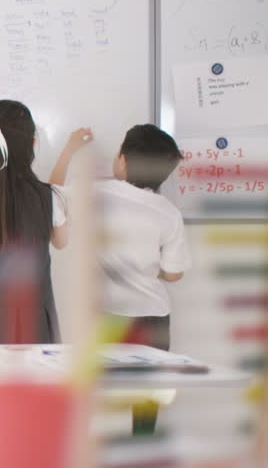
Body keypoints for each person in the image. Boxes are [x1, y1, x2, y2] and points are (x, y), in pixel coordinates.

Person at [0, 100, 87, 344]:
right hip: (38, 324)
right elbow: (61, 242)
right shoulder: (50, 197)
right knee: (39, 382)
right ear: (32, 143)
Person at [49, 124, 190, 351]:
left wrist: (70, 149)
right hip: (155, 317)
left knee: (107, 384)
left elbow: (52, 196)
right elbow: (174, 274)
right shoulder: (170, 213)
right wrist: (148, 268)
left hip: (109, 315)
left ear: (122, 160)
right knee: (152, 386)